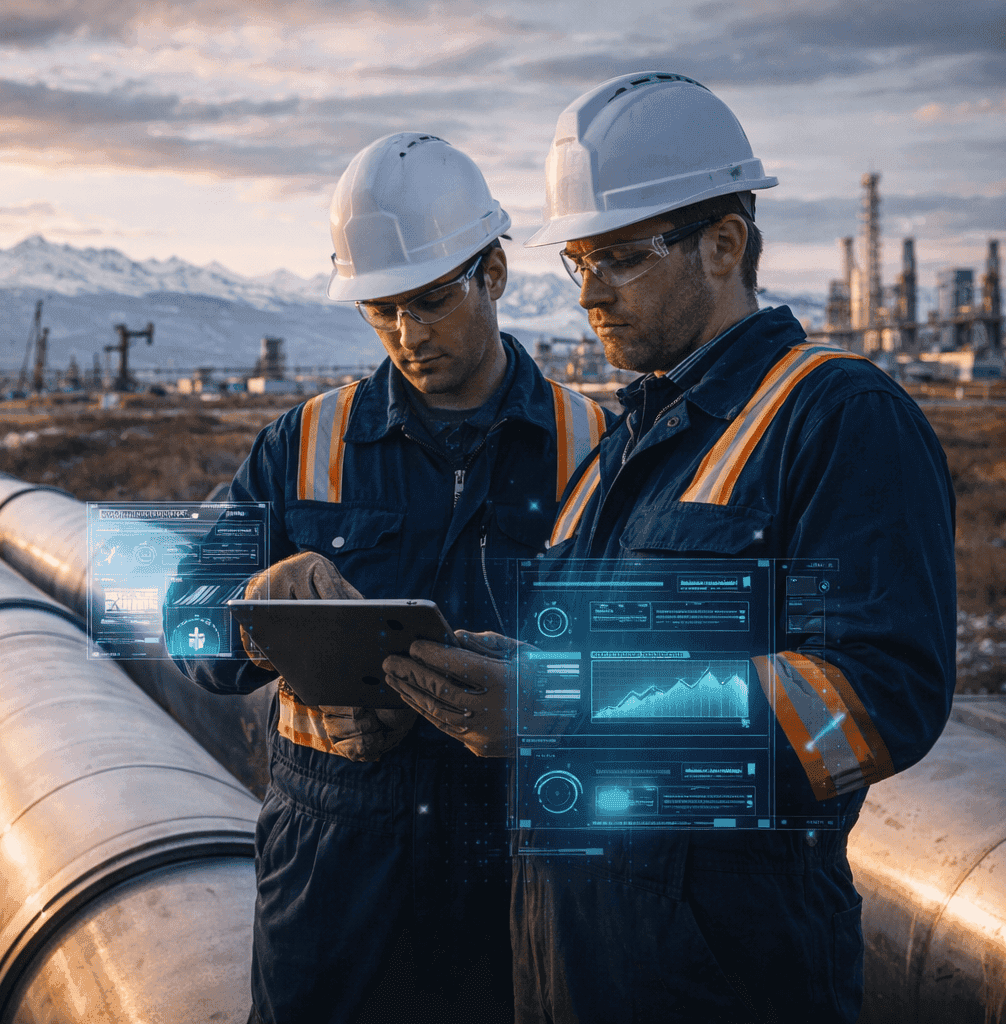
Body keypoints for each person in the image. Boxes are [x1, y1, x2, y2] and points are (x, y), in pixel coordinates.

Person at [380, 72, 956, 1022]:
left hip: (727, 978)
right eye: (577, 262)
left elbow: (874, 698)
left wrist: (561, 705)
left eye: (619, 258)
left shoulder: (836, 415)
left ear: (724, 244)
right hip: (571, 966)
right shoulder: (626, 446)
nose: (588, 294)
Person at [180, 131, 608, 1024]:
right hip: (334, 876)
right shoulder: (301, 445)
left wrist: (547, 699)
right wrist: (259, 612)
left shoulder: (598, 448)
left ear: (492, 271)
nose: (408, 336)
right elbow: (183, 622)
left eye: (428, 301)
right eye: (381, 310)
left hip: (522, 869)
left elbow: (656, 665)